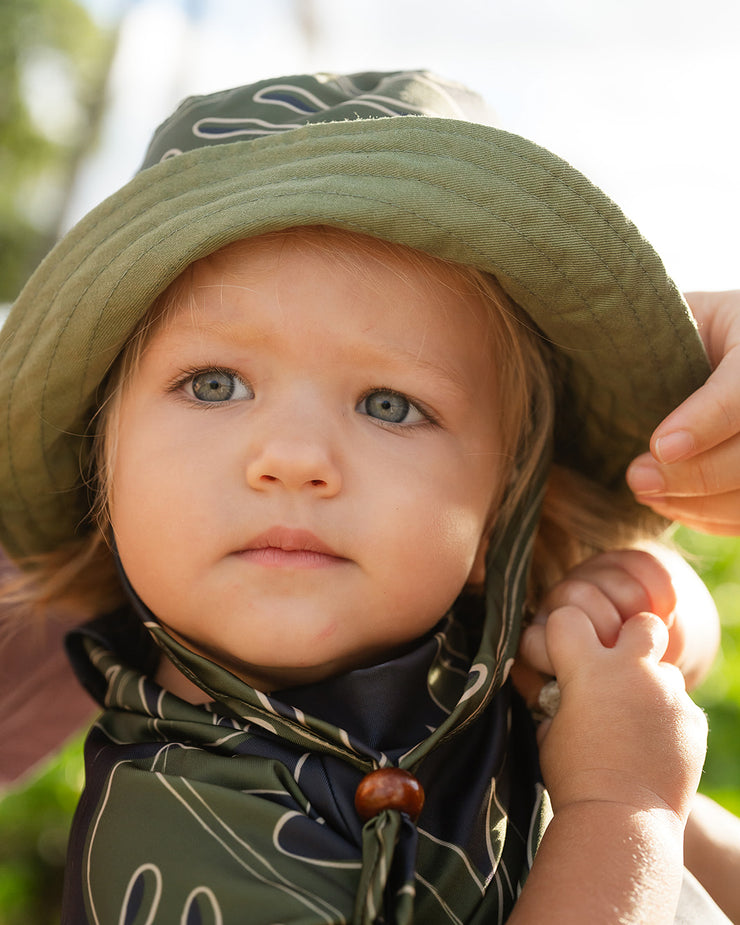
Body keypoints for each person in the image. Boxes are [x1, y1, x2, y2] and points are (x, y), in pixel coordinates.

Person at [0, 70, 729, 924]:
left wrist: (627, 649)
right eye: (213, 384)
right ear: (101, 467)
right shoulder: (176, 829)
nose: (295, 458)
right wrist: (623, 806)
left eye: (391, 405)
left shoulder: (475, 697)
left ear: (499, 516)